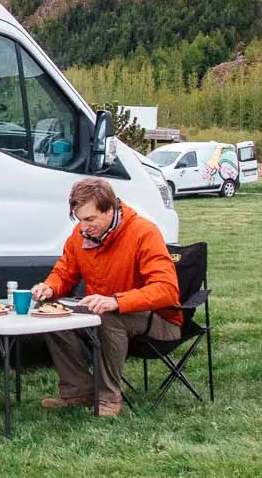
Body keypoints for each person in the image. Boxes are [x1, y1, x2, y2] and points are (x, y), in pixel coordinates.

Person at [31, 176, 180, 417]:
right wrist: (49, 287)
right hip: (103, 313)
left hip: (160, 322)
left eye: (90, 219)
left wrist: (117, 301)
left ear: (110, 210)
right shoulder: (80, 236)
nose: (83, 227)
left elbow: (167, 289)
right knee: (49, 313)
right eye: (79, 219)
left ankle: (109, 398)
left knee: (107, 316)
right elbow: (64, 272)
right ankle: (79, 392)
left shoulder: (143, 232)